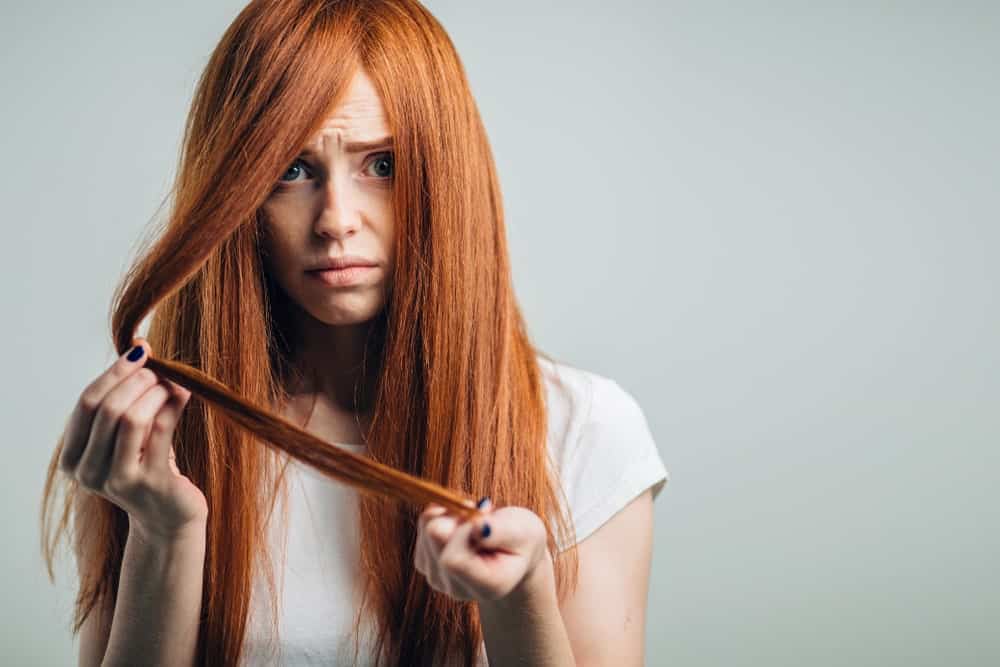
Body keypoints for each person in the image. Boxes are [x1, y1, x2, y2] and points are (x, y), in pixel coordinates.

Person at [40, 1, 669, 665]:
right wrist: (163, 532)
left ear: (444, 177)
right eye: (291, 169)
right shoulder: (141, 448)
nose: (336, 220)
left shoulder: (586, 431)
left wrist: (522, 599)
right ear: (233, 193)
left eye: (383, 165)